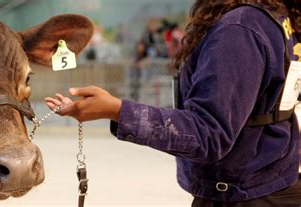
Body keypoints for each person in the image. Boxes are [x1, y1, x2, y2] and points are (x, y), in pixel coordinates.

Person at [45, 0, 301, 206]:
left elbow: (208, 135)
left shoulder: (240, 29)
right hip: (273, 182)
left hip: (246, 195)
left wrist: (116, 110)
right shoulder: (274, 18)